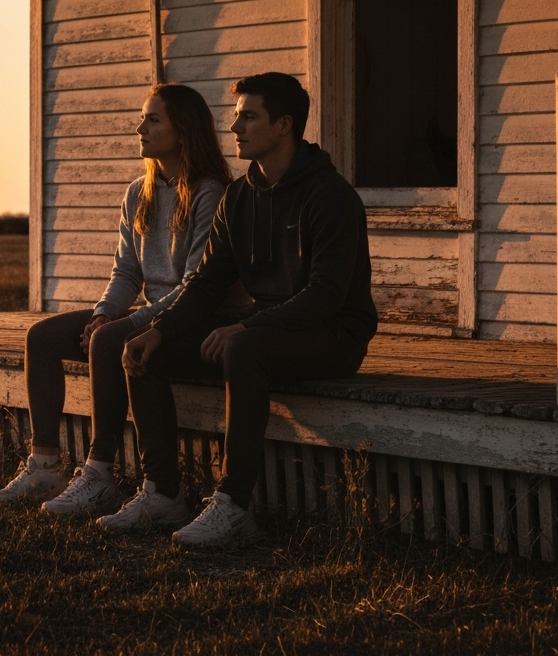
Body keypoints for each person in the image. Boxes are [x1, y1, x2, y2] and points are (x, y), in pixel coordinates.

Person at [100, 72, 376, 547]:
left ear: (284, 124)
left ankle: (234, 504)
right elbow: (206, 283)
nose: (235, 127)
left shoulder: (331, 196)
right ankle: (163, 492)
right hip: (267, 327)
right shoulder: (240, 197)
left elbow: (327, 296)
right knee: (146, 353)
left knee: (243, 346)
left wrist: (248, 324)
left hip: (332, 335)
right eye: (236, 116)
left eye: (248, 116)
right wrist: (159, 330)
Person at [0, 83, 233, 515]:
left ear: (183, 130)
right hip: (153, 311)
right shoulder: (139, 191)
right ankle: (44, 464)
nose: (140, 128)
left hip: (194, 315)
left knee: (108, 340)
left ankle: (99, 473)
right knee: (42, 336)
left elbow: (197, 284)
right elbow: (126, 272)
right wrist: (104, 313)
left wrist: (128, 325)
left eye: (152, 119)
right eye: (143, 118)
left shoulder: (209, 191)